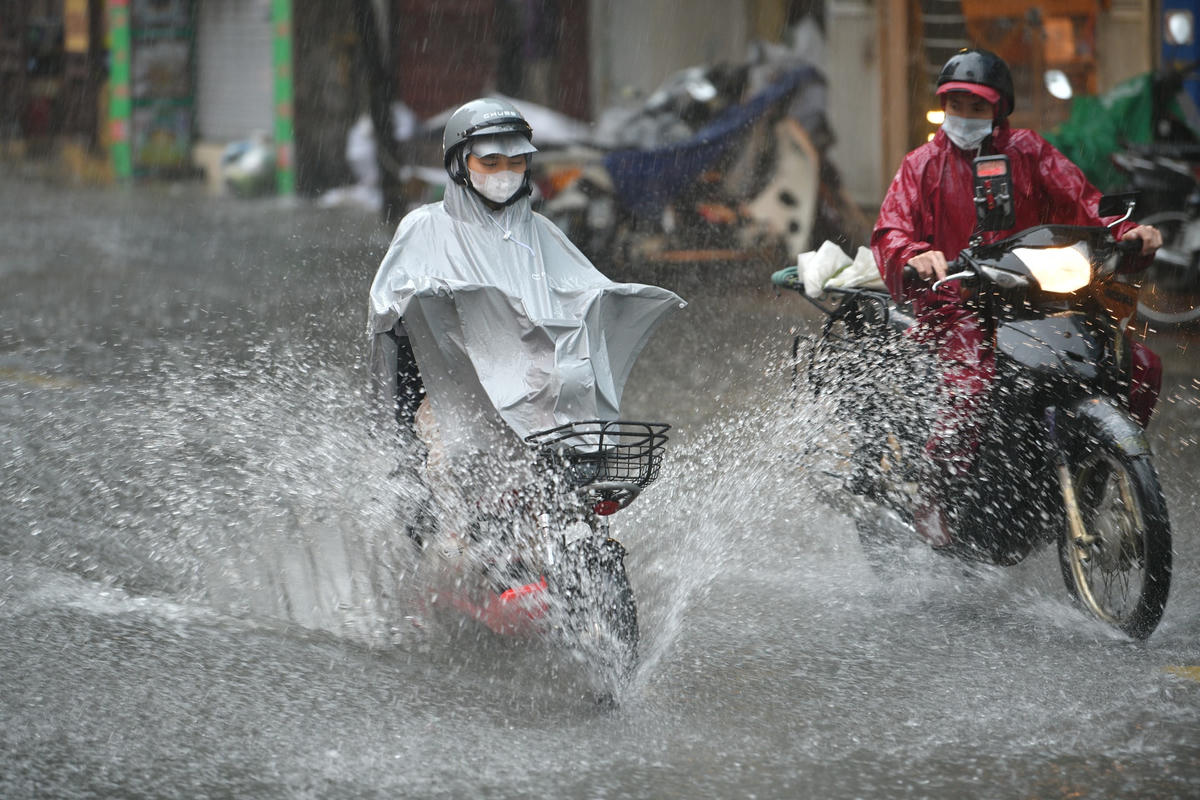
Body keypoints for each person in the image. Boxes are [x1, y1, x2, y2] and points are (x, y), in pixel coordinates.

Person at [870, 48, 1164, 548]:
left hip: (1031, 295)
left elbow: (1086, 202)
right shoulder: (921, 164)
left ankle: (1098, 460)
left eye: (977, 106)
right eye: (955, 105)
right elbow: (890, 231)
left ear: (999, 109)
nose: (964, 116)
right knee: (972, 382)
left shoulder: (1030, 151)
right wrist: (915, 254)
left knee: (1137, 364)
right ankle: (938, 495)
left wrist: (1129, 232)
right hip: (954, 303)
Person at [366, 97, 682, 544]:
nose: (504, 172)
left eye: (515, 161)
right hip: (452, 392)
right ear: (460, 163)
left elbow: (583, 290)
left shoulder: (542, 232)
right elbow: (387, 310)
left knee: (577, 472)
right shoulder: (423, 228)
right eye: (490, 161)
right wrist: (433, 298)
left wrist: (613, 300)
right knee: (450, 483)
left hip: (535, 396)